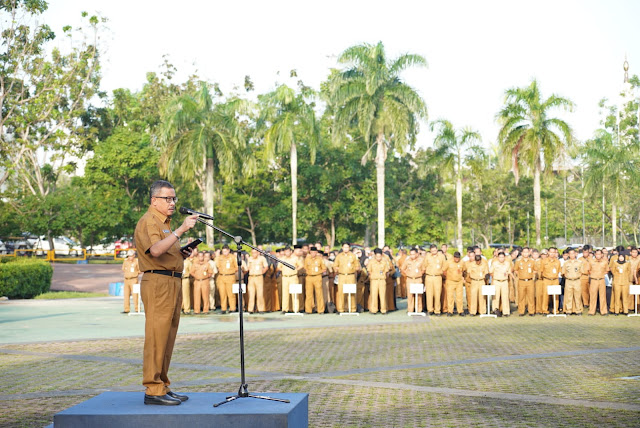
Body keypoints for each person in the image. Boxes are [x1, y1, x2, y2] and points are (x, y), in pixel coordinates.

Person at [134, 179, 197, 405]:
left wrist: (182, 253)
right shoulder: (149, 221)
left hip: (172, 281)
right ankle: (152, 389)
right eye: (167, 199)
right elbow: (157, 250)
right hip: (158, 283)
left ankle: (162, 384)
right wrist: (181, 229)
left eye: (173, 198)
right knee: (156, 336)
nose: (172, 203)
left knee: (168, 336)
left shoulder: (166, 223)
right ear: (154, 201)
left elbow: (168, 252)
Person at [333, 242, 360, 313]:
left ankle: (352, 308)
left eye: (347, 247)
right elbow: (335, 266)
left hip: (351, 275)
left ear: (349, 248)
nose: (346, 249)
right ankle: (341, 309)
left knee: (351, 292)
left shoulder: (353, 256)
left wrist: (351, 269)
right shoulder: (339, 256)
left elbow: (357, 267)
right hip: (341, 275)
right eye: (344, 247)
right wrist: (339, 269)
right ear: (342, 248)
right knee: (341, 292)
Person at [278, 246, 304, 313]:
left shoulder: (295, 258)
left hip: (293, 277)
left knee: (295, 293)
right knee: (285, 294)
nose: (287, 253)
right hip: (285, 277)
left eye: (288, 251)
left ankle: (296, 309)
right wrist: (283, 270)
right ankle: (285, 309)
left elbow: (301, 265)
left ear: (291, 252)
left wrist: (296, 270)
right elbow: (278, 267)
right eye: (285, 251)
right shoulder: (282, 259)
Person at [422, 244, 446, 316]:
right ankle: (430, 310)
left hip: (438, 277)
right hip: (429, 277)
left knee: (437, 294)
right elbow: (424, 266)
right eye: (432, 251)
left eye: (435, 250)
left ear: (437, 249)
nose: (434, 252)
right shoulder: (427, 257)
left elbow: (444, 266)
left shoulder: (441, 256)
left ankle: (437, 310)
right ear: (430, 250)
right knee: (429, 294)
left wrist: (441, 271)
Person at [367, 248, 392, 314]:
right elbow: (369, 271)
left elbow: (387, 272)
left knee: (383, 295)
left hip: (382, 280)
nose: (379, 258)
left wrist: (383, 277)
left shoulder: (384, 262)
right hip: (374, 280)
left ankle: (383, 309)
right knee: (374, 295)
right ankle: (373, 309)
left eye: (380, 256)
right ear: (375, 255)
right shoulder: (371, 262)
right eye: (377, 256)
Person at [244, 249, 269, 314]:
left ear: (258, 253)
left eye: (255, 252)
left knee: (260, 294)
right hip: (251, 277)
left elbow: (266, 266)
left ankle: (260, 309)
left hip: (259, 277)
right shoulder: (249, 259)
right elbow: (247, 267)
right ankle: (250, 309)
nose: (254, 254)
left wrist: (262, 272)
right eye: (252, 253)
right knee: (251, 294)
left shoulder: (262, 258)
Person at [216, 244, 238, 314]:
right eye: (223, 251)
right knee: (222, 294)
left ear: (228, 251)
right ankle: (223, 308)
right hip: (222, 277)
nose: (224, 253)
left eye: (226, 251)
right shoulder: (220, 258)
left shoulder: (233, 257)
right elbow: (217, 266)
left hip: (230, 276)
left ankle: (232, 308)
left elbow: (237, 267)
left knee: (231, 294)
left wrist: (231, 271)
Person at [304, 247, 326, 314]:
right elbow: (305, 268)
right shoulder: (307, 259)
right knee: (308, 294)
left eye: (314, 252)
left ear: (316, 252)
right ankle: (308, 310)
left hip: (317, 276)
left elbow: (324, 268)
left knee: (319, 294)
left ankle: (321, 310)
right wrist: (307, 272)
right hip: (309, 277)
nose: (313, 253)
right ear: (310, 252)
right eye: (312, 252)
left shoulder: (320, 259)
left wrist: (319, 272)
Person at [401, 247, 424, 313]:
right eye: (411, 254)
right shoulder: (407, 261)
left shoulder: (421, 261)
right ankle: (410, 309)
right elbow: (402, 269)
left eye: (413, 254)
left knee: (419, 295)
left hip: (418, 279)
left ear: (417, 254)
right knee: (410, 295)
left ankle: (419, 309)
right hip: (410, 279)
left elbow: (423, 269)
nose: (412, 256)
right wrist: (407, 274)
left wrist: (419, 274)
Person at [489, 251, 512, 316]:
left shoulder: (507, 263)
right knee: (495, 297)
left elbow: (509, 272)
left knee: (505, 297)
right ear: (498, 257)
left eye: (502, 257)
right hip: (496, 281)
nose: (501, 258)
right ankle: (495, 310)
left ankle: (506, 312)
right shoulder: (494, 263)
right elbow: (490, 272)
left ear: (504, 257)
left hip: (504, 281)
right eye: (500, 257)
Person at [561, 248, 583, 315]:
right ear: (568, 255)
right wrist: (568, 277)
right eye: (570, 254)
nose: (572, 255)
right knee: (568, 296)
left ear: (575, 254)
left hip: (577, 280)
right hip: (568, 281)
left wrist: (577, 276)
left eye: (573, 253)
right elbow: (563, 273)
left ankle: (578, 310)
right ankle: (568, 310)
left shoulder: (579, 262)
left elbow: (581, 272)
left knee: (577, 296)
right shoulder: (566, 263)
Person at [443, 251, 465, 316]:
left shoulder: (462, 262)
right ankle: (450, 311)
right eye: (456, 258)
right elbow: (444, 270)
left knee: (459, 297)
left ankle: (460, 311)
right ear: (453, 257)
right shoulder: (448, 262)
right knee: (450, 297)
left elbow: (463, 270)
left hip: (459, 282)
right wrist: (447, 277)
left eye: (458, 258)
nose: (457, 260)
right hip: (450, 281)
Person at [587, 249, 609, 316]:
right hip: (593, 280)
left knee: (602, 296)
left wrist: (601, 274)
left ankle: (603, 311)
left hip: (602, 280)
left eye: (599, 254)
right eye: (597, 254)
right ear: (595, 255)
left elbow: (607, 270)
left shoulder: (605, 262)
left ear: (602, 254)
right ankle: (591, 311)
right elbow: (588, 270)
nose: (598, 256)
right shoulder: (591, 261)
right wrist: (593, 274)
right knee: (593, 296)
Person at [514, 247, 535, 316]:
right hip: (521, 281)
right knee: (521, 297)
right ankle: (521, 311)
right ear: (522, 253)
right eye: (524, 252)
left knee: (531, 296)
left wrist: (532, 275)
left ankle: (531, 311)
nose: (525, 253)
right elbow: (516, 270)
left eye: (527, 252)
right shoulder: (518, 262)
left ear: (529, 253)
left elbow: (535, 270)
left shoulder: (532, 261)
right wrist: (521, 275)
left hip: (530, 281)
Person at [180, 249, 195, 315]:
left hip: (185, 279)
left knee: (186, 295)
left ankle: (187, 309)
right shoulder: (178, 261)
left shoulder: (187, 262)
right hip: (178, 279)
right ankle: (181, 307)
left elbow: (191, 271)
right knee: (179, 295)